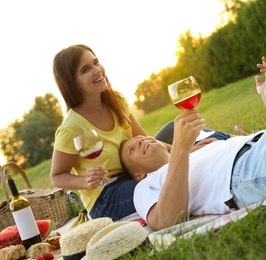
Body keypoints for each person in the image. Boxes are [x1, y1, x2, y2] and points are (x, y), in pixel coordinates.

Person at [120, 0, 266, 230]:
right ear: (138, 174)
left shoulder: (203, 149)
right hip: (249, 171)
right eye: (132, 149)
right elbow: (164, 221)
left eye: (139, 138)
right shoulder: (145, 187)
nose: (140, 139)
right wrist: (179, 148)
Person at [50, 44, 231, 221]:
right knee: (167, 178)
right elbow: (57, 176)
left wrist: (181, 150)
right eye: (86, 69)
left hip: (135, 167)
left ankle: (234, 142)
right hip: (107, 196)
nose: (97, 70)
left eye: (96, 62)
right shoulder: (70, 128)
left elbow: (145, 139)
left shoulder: (116, 100)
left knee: (174, 128)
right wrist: (85, 182)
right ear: (72, 83)